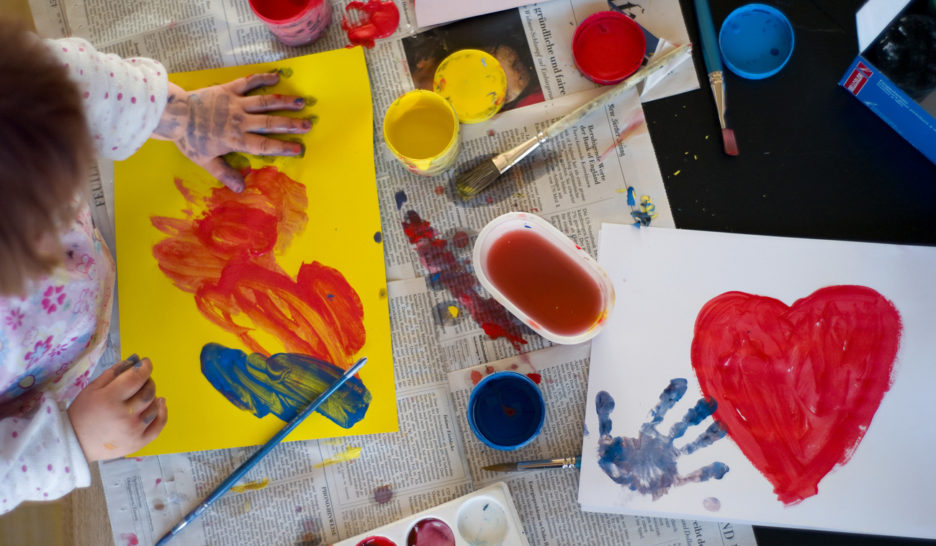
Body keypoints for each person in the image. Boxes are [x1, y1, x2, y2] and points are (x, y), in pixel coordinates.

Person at [0, 19, 311, 514]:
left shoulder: (17, 88)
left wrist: (181, 115)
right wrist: (71, 440)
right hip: (52, 390)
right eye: (38, 230)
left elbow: (71, 81)